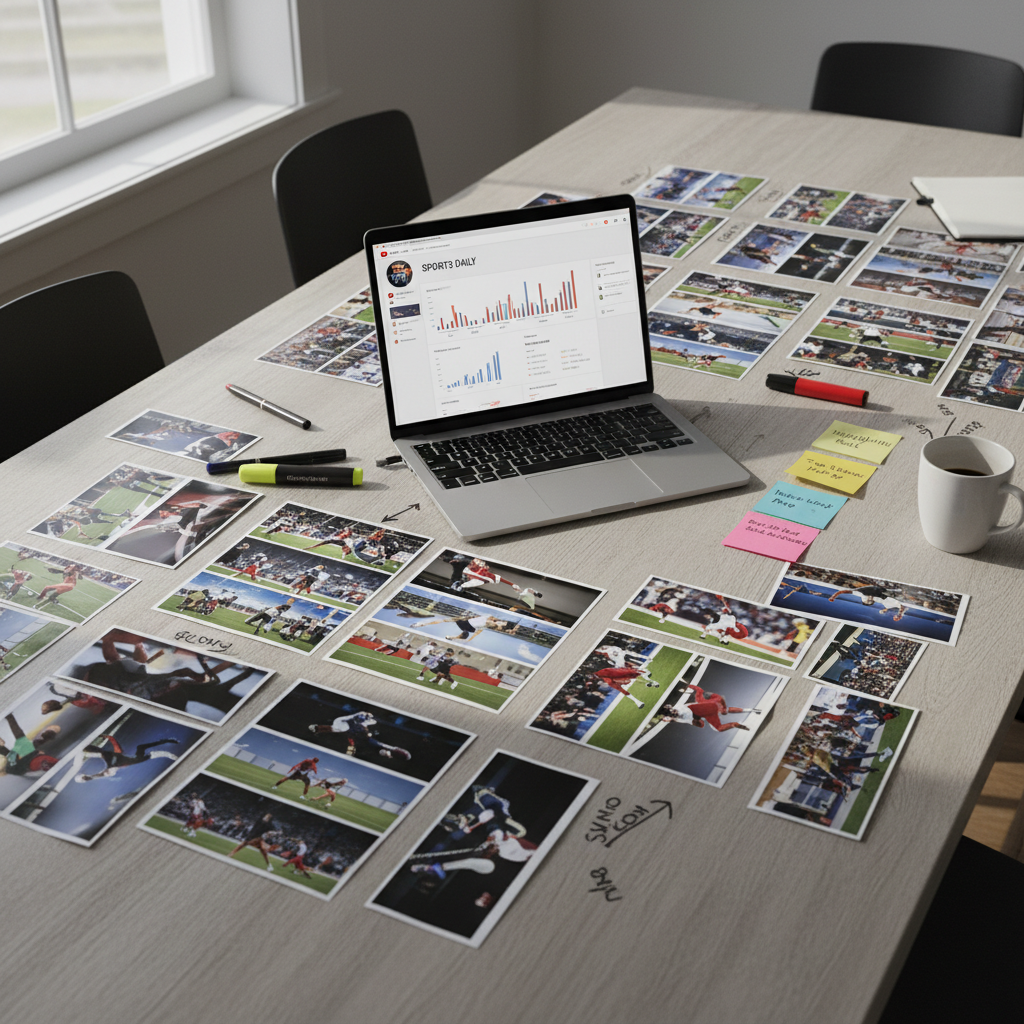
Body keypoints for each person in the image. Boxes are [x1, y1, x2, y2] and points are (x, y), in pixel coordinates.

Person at [75, 734, 179, 782]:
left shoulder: (112, 759)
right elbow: (113, 742)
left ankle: (166, 742)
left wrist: (108, 737)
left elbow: (101, 773)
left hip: (134, 759)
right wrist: (108, 737)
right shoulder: (113, 760)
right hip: (135, 759)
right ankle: (166, 742)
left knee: (142, 748)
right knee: (142, 748)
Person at [661, 684, 761, 732]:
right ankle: (750, 710)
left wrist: (671, 720)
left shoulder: (683, 716)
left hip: (704, 712)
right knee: (723, 710)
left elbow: (701, 725)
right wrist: (689, 686)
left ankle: (735, 724)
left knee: (718, 728)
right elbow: (699, 689)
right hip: (708, 707)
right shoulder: (698, 700)